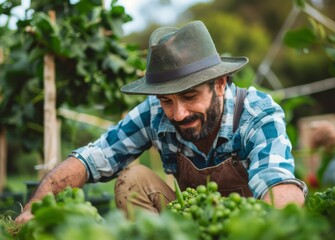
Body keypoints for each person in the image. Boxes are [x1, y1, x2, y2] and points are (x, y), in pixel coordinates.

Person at [16, 20, 307, 223]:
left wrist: (275, 227)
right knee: (132, 179)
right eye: (166, 100)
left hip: (247, 229)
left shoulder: (257, 113)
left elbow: (276, 182)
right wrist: (35, 206)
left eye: (190, 96)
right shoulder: (154, 114)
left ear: (219, 84)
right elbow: (94, 157)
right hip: (185, 228)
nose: (178, 114)